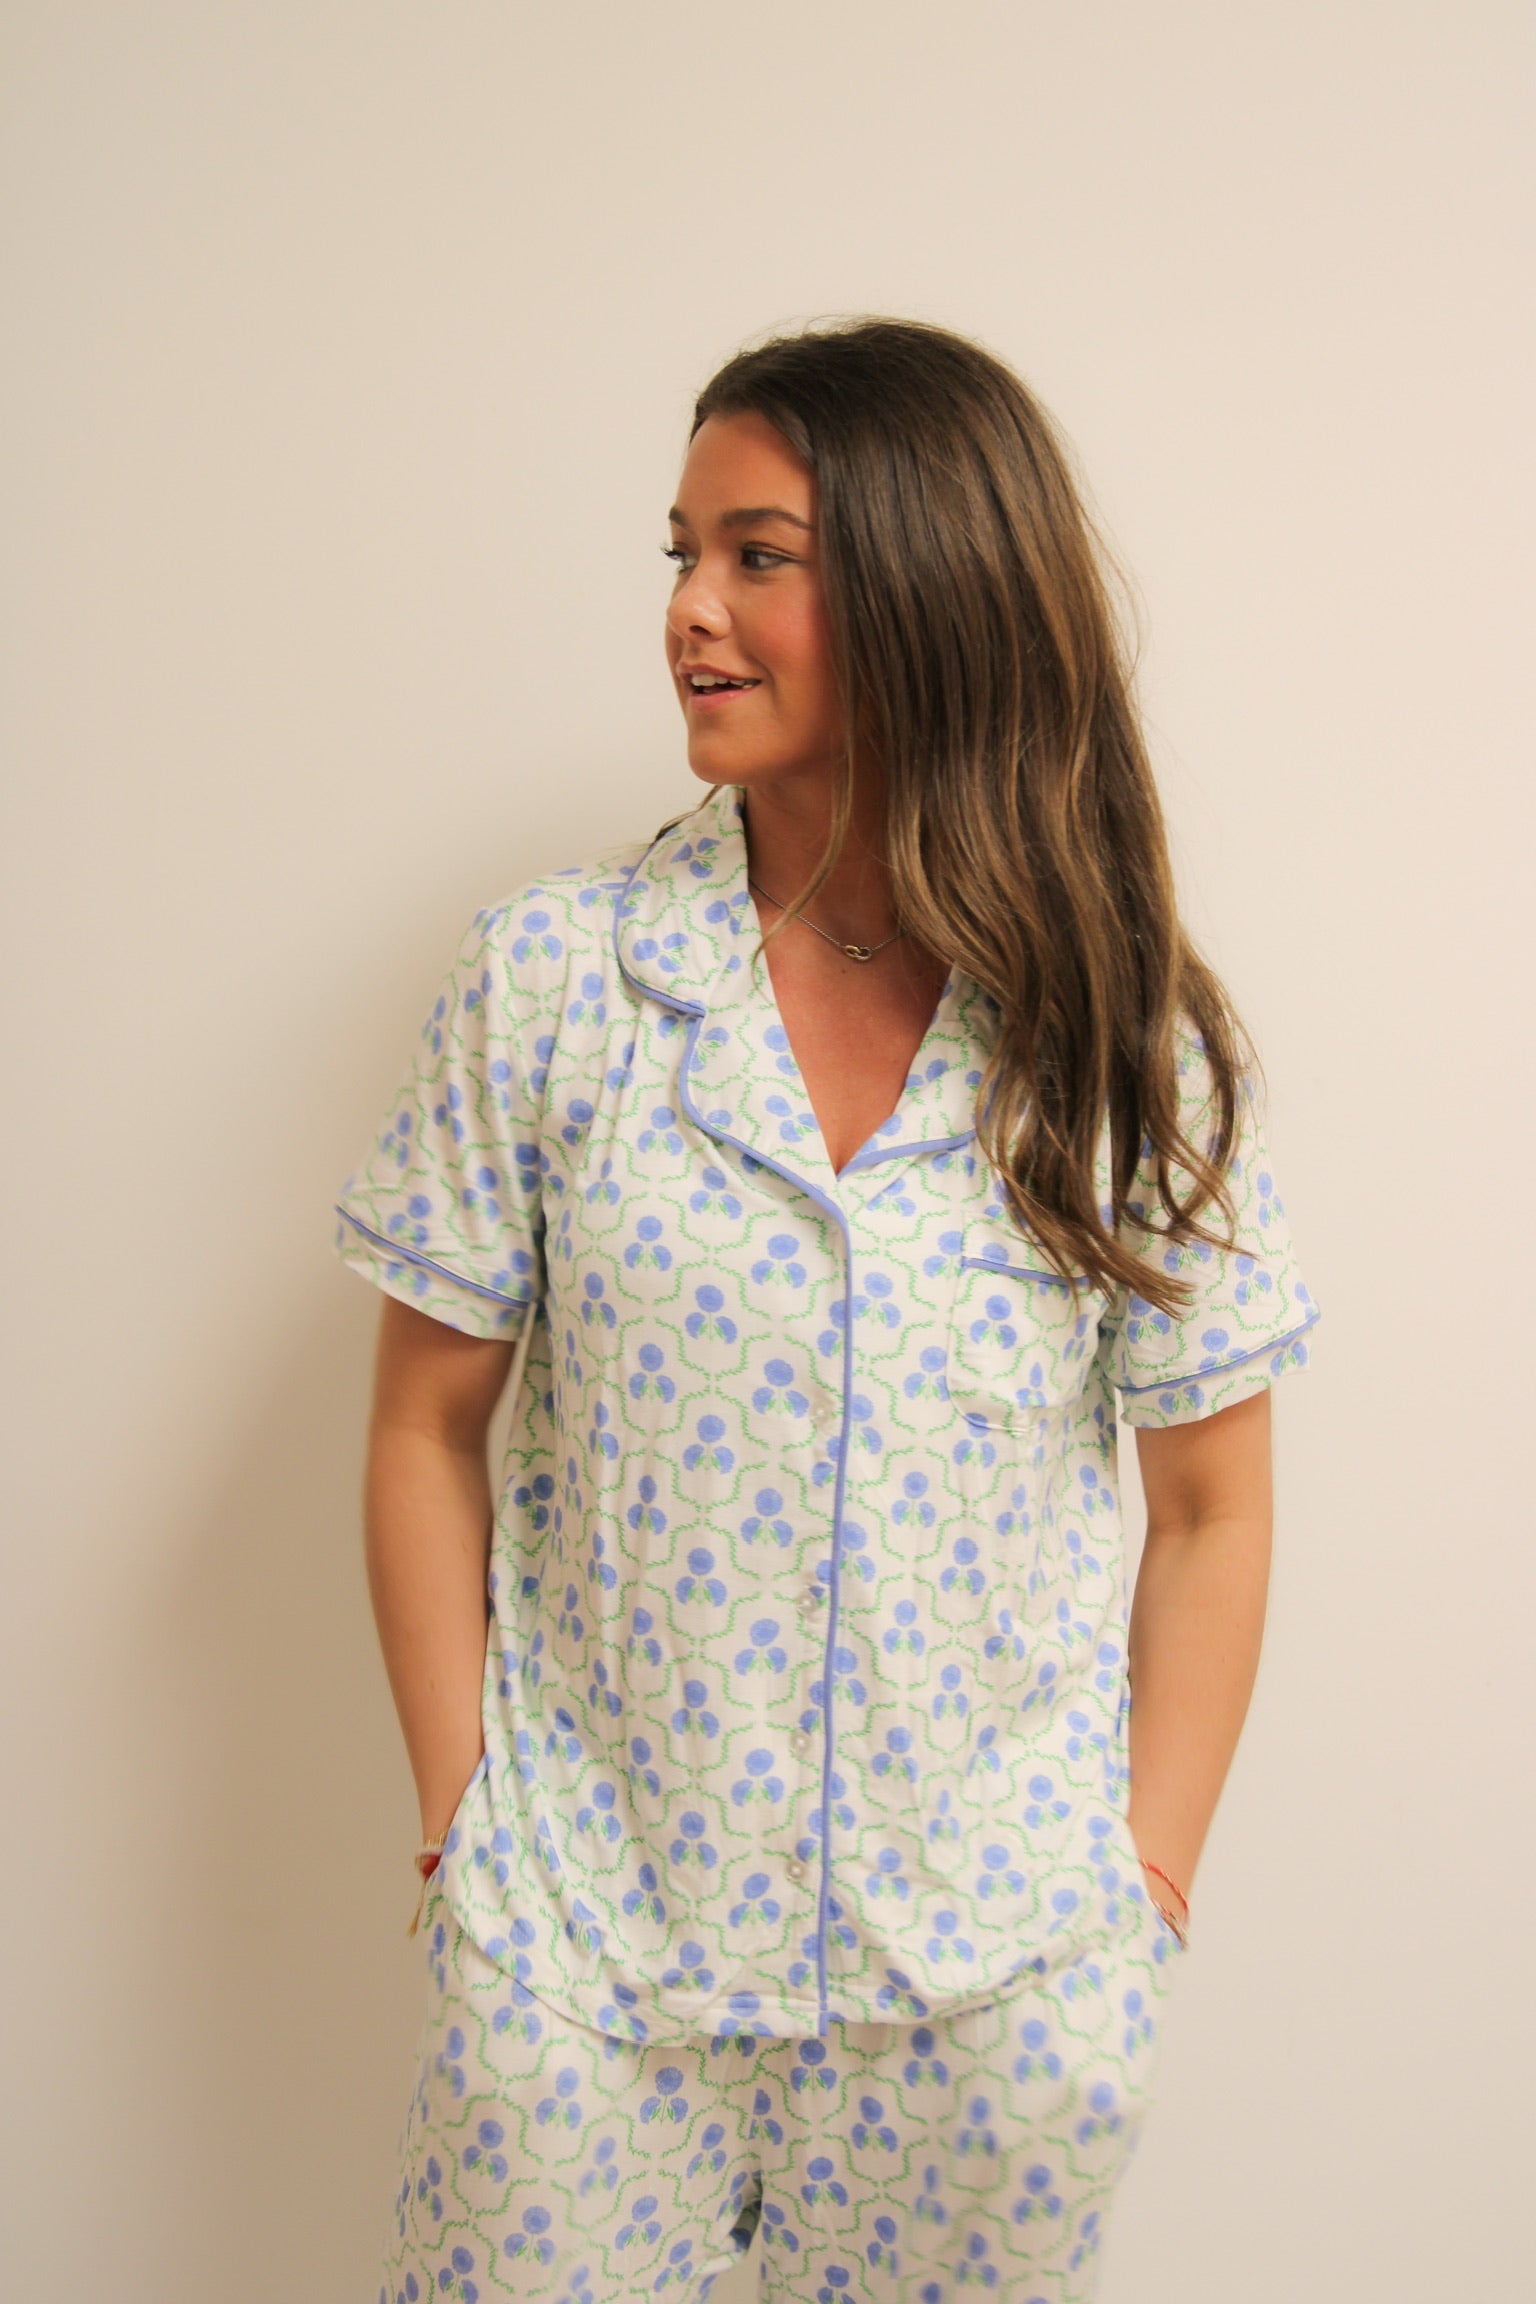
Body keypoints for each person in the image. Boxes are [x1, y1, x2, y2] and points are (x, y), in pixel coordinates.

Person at [335, 317, 1318, 2304]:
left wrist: (1134, 1904)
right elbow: (423, 1425)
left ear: (928, 586)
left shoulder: (1121, 1045)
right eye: (681, 553)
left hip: (990, 1996)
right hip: (590, 1965)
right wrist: (468, 1838)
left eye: (757, 555)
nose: (689, 611)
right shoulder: (555, 984)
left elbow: (1214, 1506)